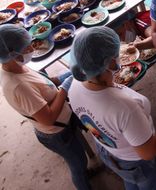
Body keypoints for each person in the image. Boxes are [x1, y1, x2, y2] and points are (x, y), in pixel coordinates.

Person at [68, 27, 156, 190]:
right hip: (136, 163)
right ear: (110, 62)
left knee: (130, 181)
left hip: (108, 150)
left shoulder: (74, 85)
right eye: (117, 53)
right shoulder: (125, 107)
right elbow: (149, 151)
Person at [0, 25, 91, 190]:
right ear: (12, 53)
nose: (31, 48)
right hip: (56, 133)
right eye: (26, 47)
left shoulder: (17, 66)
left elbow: (44, 83)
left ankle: (84, 174)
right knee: (78, 164)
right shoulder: (18, 86)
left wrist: (65, 76)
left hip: (64, 120)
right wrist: (65, 87)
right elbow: (48, 119)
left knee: (80, 156)